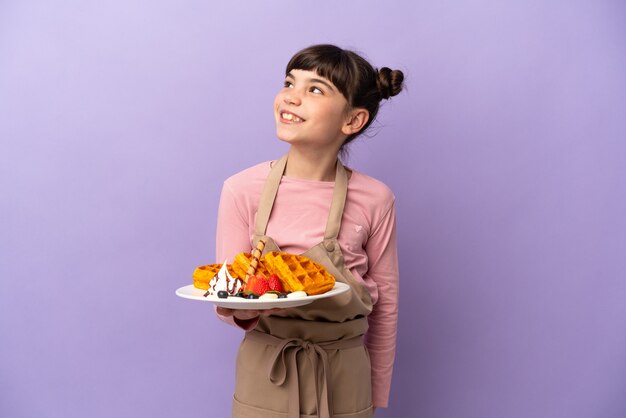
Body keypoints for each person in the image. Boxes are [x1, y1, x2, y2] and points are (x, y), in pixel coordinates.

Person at [214, 44, 404, 418]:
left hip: (345, 375)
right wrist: (236, 306)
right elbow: (227, 290)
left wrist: (374, 392)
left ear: (353, 120)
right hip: (266, 371)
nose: (291, 96)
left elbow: (386, 308)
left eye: (315, 89)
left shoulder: (375, 199)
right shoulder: (241, 189)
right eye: (289, 82)